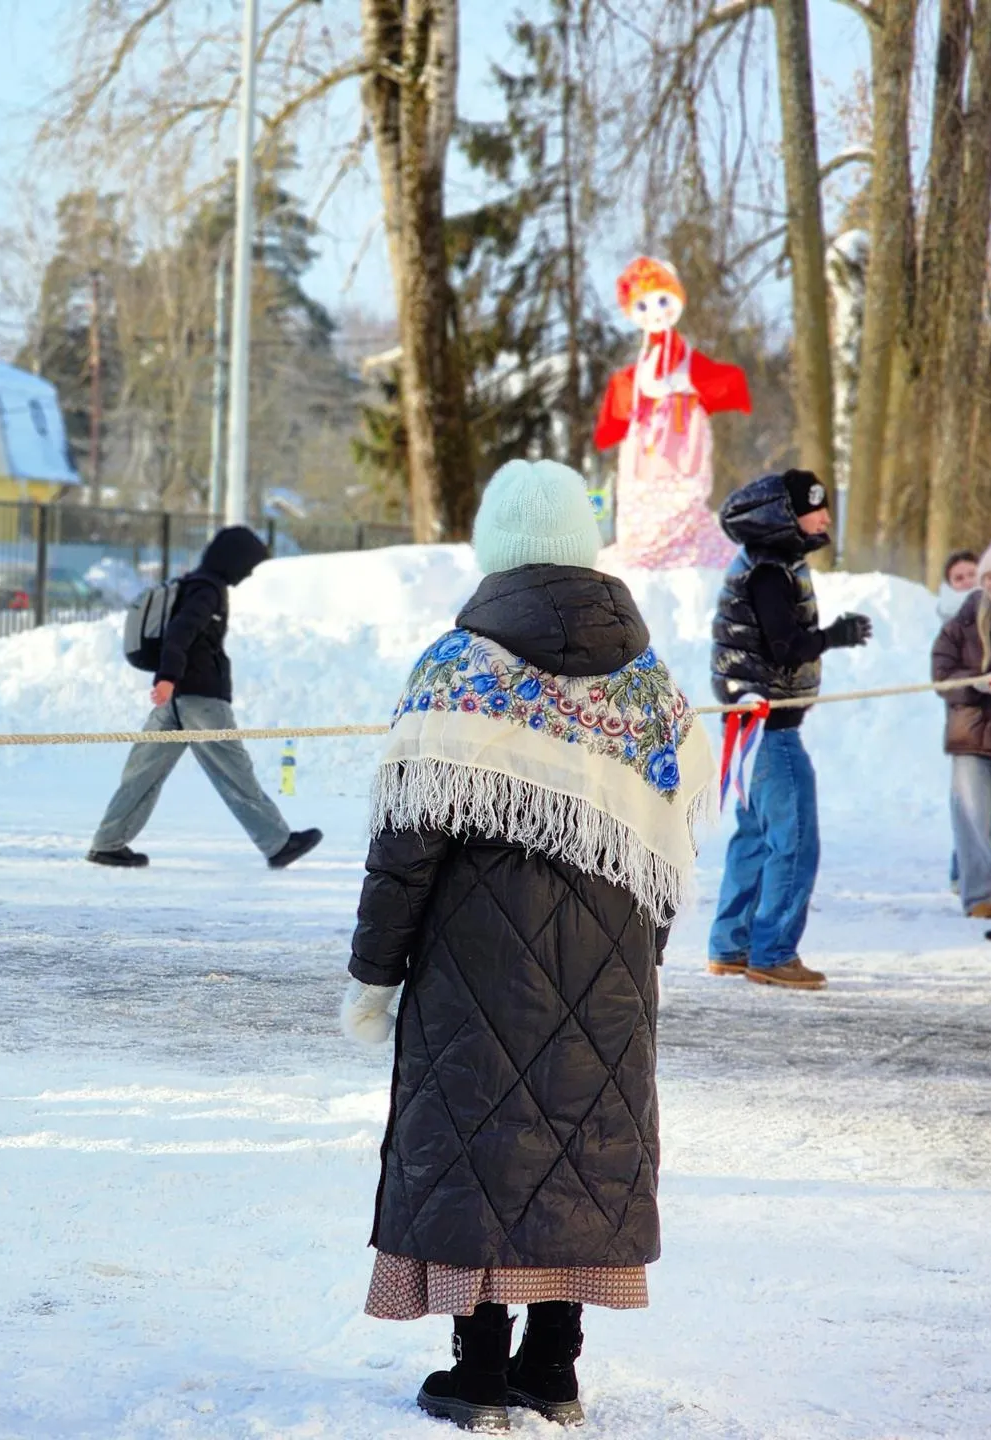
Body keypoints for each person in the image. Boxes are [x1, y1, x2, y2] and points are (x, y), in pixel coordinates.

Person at [343, 459, 710, 1433]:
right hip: (611, 969)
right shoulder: (650, 692)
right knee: (577, 1149)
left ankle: (478, 1375)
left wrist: (376, 972)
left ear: (494, 546)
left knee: (483, 1150)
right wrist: (643, 962)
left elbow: (403, 850)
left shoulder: (458, 670)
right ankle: (554, 1368)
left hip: (475, 971)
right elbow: (668, 855)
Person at [706, 469, 872, 991]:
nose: (824, 517)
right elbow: (784, 646)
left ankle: (731, 945)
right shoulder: (770, 572)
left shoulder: (765, 563)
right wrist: (835, 636)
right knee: (796, 840)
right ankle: (772, 950)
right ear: (785, 515)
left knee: (756, 838)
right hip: (770, 731)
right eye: (814, 508)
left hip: (754, 727)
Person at [86, 525, 321, 869]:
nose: (248, 573)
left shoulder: (192, 583)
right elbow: (181, 633)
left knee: (143, 772)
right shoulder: (208, 590)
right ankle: (278, 843)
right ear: (234, 560)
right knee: (234, 772)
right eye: (248, 565)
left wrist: (170, 682)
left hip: (177, 699)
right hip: (200, 699)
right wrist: (167, 677)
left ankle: (108, 843)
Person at [931, 536, 991, 922]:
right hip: (971, 734)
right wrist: (980, 681)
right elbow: (942, 675)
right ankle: (981, 894)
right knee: (973, 819)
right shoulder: (962, 621)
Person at [938, 546, 982, 622]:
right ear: (949, 585)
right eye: (959, 578)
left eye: (972, 574)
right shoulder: (939, 617)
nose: (967, 581)